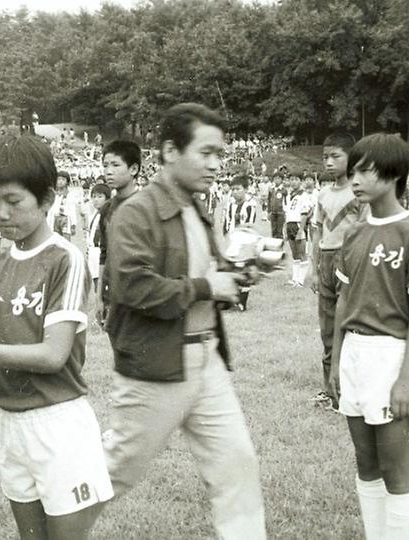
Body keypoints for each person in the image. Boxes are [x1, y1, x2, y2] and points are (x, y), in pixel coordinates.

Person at [0, 135, 113, 540]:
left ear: (47, 197)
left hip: (57, 424)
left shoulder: (64, 259)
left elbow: (54, 355)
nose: (1, 213)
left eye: (13, 202)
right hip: (8, 422)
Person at [103, 103, 265, 538]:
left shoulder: (195, 207)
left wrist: (236, 275)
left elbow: (203, 278)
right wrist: (207, 287)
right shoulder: (135, 212)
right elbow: (133, 288)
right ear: (171, 151)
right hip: (157, 368)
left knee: (237, 466)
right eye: (206, 152)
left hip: (205, 360)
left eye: (220, 154)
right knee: (112, 474)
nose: (216, 165)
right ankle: (48, 525)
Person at [331, 133, 409, 540]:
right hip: (355, 353)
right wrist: (338, 360)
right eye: (352, 169)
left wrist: (407, 377)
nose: (354, 177)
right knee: (366, 464)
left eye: (364, 170)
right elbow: (343, 302)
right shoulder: (355, 233)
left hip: (391, 357)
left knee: (396, 467)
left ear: (393, 175)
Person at [305, 133, 364, 409]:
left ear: (350, 157)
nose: (328, 162)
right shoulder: (323, 193)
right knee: (327, 329)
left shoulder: (358, 192)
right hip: (326, 261)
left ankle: (352, 389)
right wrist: (314, 269)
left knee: (350, 326)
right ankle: (330, 391)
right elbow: (316, 233)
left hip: (349, 261)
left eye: (335, 156)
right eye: (325, 157)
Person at [95, 140, 141, 326]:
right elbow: (104, 255)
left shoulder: (146, 206)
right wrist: (99, 297)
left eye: (115, 165)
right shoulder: (106, 209)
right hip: (112, 295)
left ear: (133, 169)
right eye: (105, 165)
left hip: (139, 296)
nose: (108, 171)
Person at [223, 174, 258, 311]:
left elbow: (249, 225)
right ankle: (229, 299)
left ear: (246, 189)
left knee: (243, 270)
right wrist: (226, 236)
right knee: (229, 270)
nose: (235, 192)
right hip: (232, 241)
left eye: (238, 189)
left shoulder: (250, 205)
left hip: (244, 242)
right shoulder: (230, 204)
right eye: (233, 189)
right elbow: (227, 222)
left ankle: (242, 302)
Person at [283, 172, 314, 287]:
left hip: (298, 225)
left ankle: (300, 280)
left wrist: (301, 229)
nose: (293, 182)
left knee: (301, 253)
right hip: (290, 225)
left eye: (296, 179)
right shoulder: (290, 195)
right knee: (294, 254)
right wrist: (285, 227)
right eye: (291, 179)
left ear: (300, 181)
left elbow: (306, 213)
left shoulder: (304, 195)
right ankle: (295, 279)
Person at [86, 183, 111, 296]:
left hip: (101, 253)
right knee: (96, 284)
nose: (95, 200)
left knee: (102, 288)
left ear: (107, 199)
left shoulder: (108, 216)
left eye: (100, 197)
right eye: (94, 196)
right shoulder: (94, 215)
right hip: (92, 253)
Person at [46, 170, 79, 242]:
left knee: (66, 241)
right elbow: (51, 209)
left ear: (67, 182)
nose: (60, 181)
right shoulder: (53, 194)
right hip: (55, 219)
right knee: (55, 240)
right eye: (59, 179)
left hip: (65, 219)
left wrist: (73, 224)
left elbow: (72, 209)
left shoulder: (70, 195)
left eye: (63, 180)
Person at [267, 173, 288, 239]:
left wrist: (286, 212)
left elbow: (286, 202)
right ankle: (274, 246)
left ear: (282, 180)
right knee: (273, 231)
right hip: (273, 212)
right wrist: (269, 211)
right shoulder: (271, 190)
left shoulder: (284, 190)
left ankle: (280, 247)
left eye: (278, 178)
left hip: (281, 212)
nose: (277, 180)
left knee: (279, 231)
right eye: (275, 178)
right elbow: (269, 200)